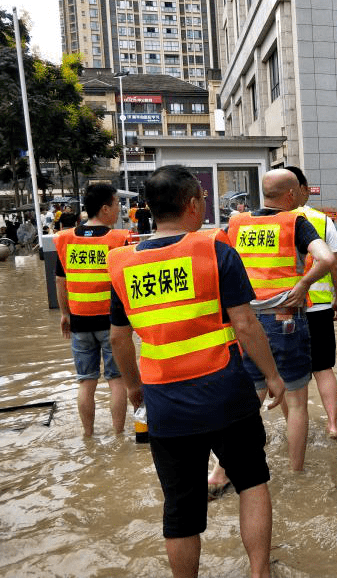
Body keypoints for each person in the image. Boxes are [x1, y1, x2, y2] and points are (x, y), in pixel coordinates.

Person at [107, 165, 285, 578]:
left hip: (165, 402)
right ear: (192, 204)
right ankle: (260, 573)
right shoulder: (214, 250)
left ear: (150, 209)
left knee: (181, 507)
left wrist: (134, 387)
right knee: (252, 482)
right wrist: (272, 376)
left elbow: (119, 339)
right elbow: (245, 323)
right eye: (202, 200)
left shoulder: (121, 264)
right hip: (226, 393)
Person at [227, 168, 335, 472]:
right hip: (286, 320)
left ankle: (222, 471)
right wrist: (302, 286)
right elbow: (327, 260)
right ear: (291, 195)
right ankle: (296, 471)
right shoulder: (294, 221)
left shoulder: (237, 223)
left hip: (247, 323)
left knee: (251, 399)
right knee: (298, 402)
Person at [54, 183, 130, 436]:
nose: (120, 209)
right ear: (105, 208)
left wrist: (65, 314)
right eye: (117, 203)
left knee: (85, 382)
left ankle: (88, 435)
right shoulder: (118, 239)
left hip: (79, 322)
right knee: (116, 380)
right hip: (112, 323)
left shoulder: (65, 239)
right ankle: (119, 436)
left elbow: (60, 280)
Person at [286, 166, 337, 438]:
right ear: (304, 190)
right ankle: (332, 424)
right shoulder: (322, 221)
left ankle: (293, 427)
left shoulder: (271, 223)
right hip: (319, 308)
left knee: (288, 373)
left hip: (284, 310)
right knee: (323, 368)